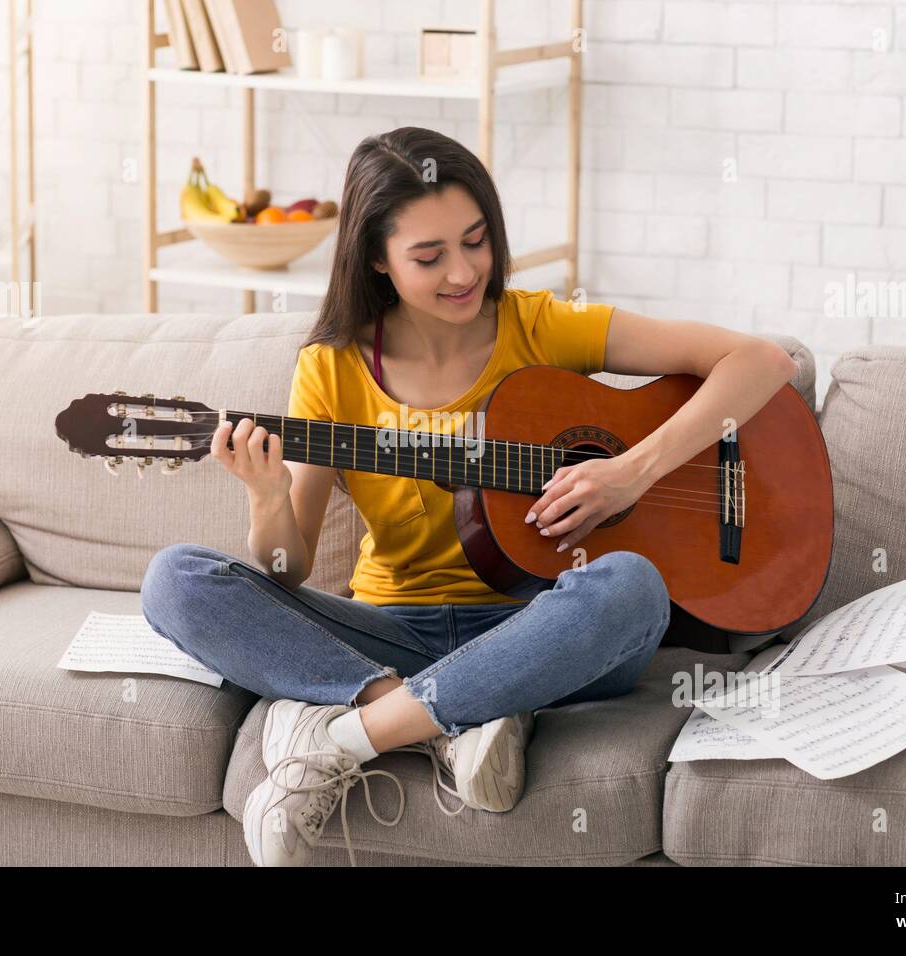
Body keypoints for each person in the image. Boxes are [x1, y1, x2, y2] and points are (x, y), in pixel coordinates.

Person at [141, 126, 798, 867]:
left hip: (542, 623)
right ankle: (456, 708)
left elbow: (761, 361)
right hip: (393, 625)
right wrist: (267, 499)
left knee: (633, 587)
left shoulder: (540, 325)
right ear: (378, 262)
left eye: (477, 241)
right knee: (176, 579)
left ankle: (347, 737)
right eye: (429, 256)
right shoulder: (331, 366)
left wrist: (633, 471)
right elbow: (287, 572)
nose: (463, 272)